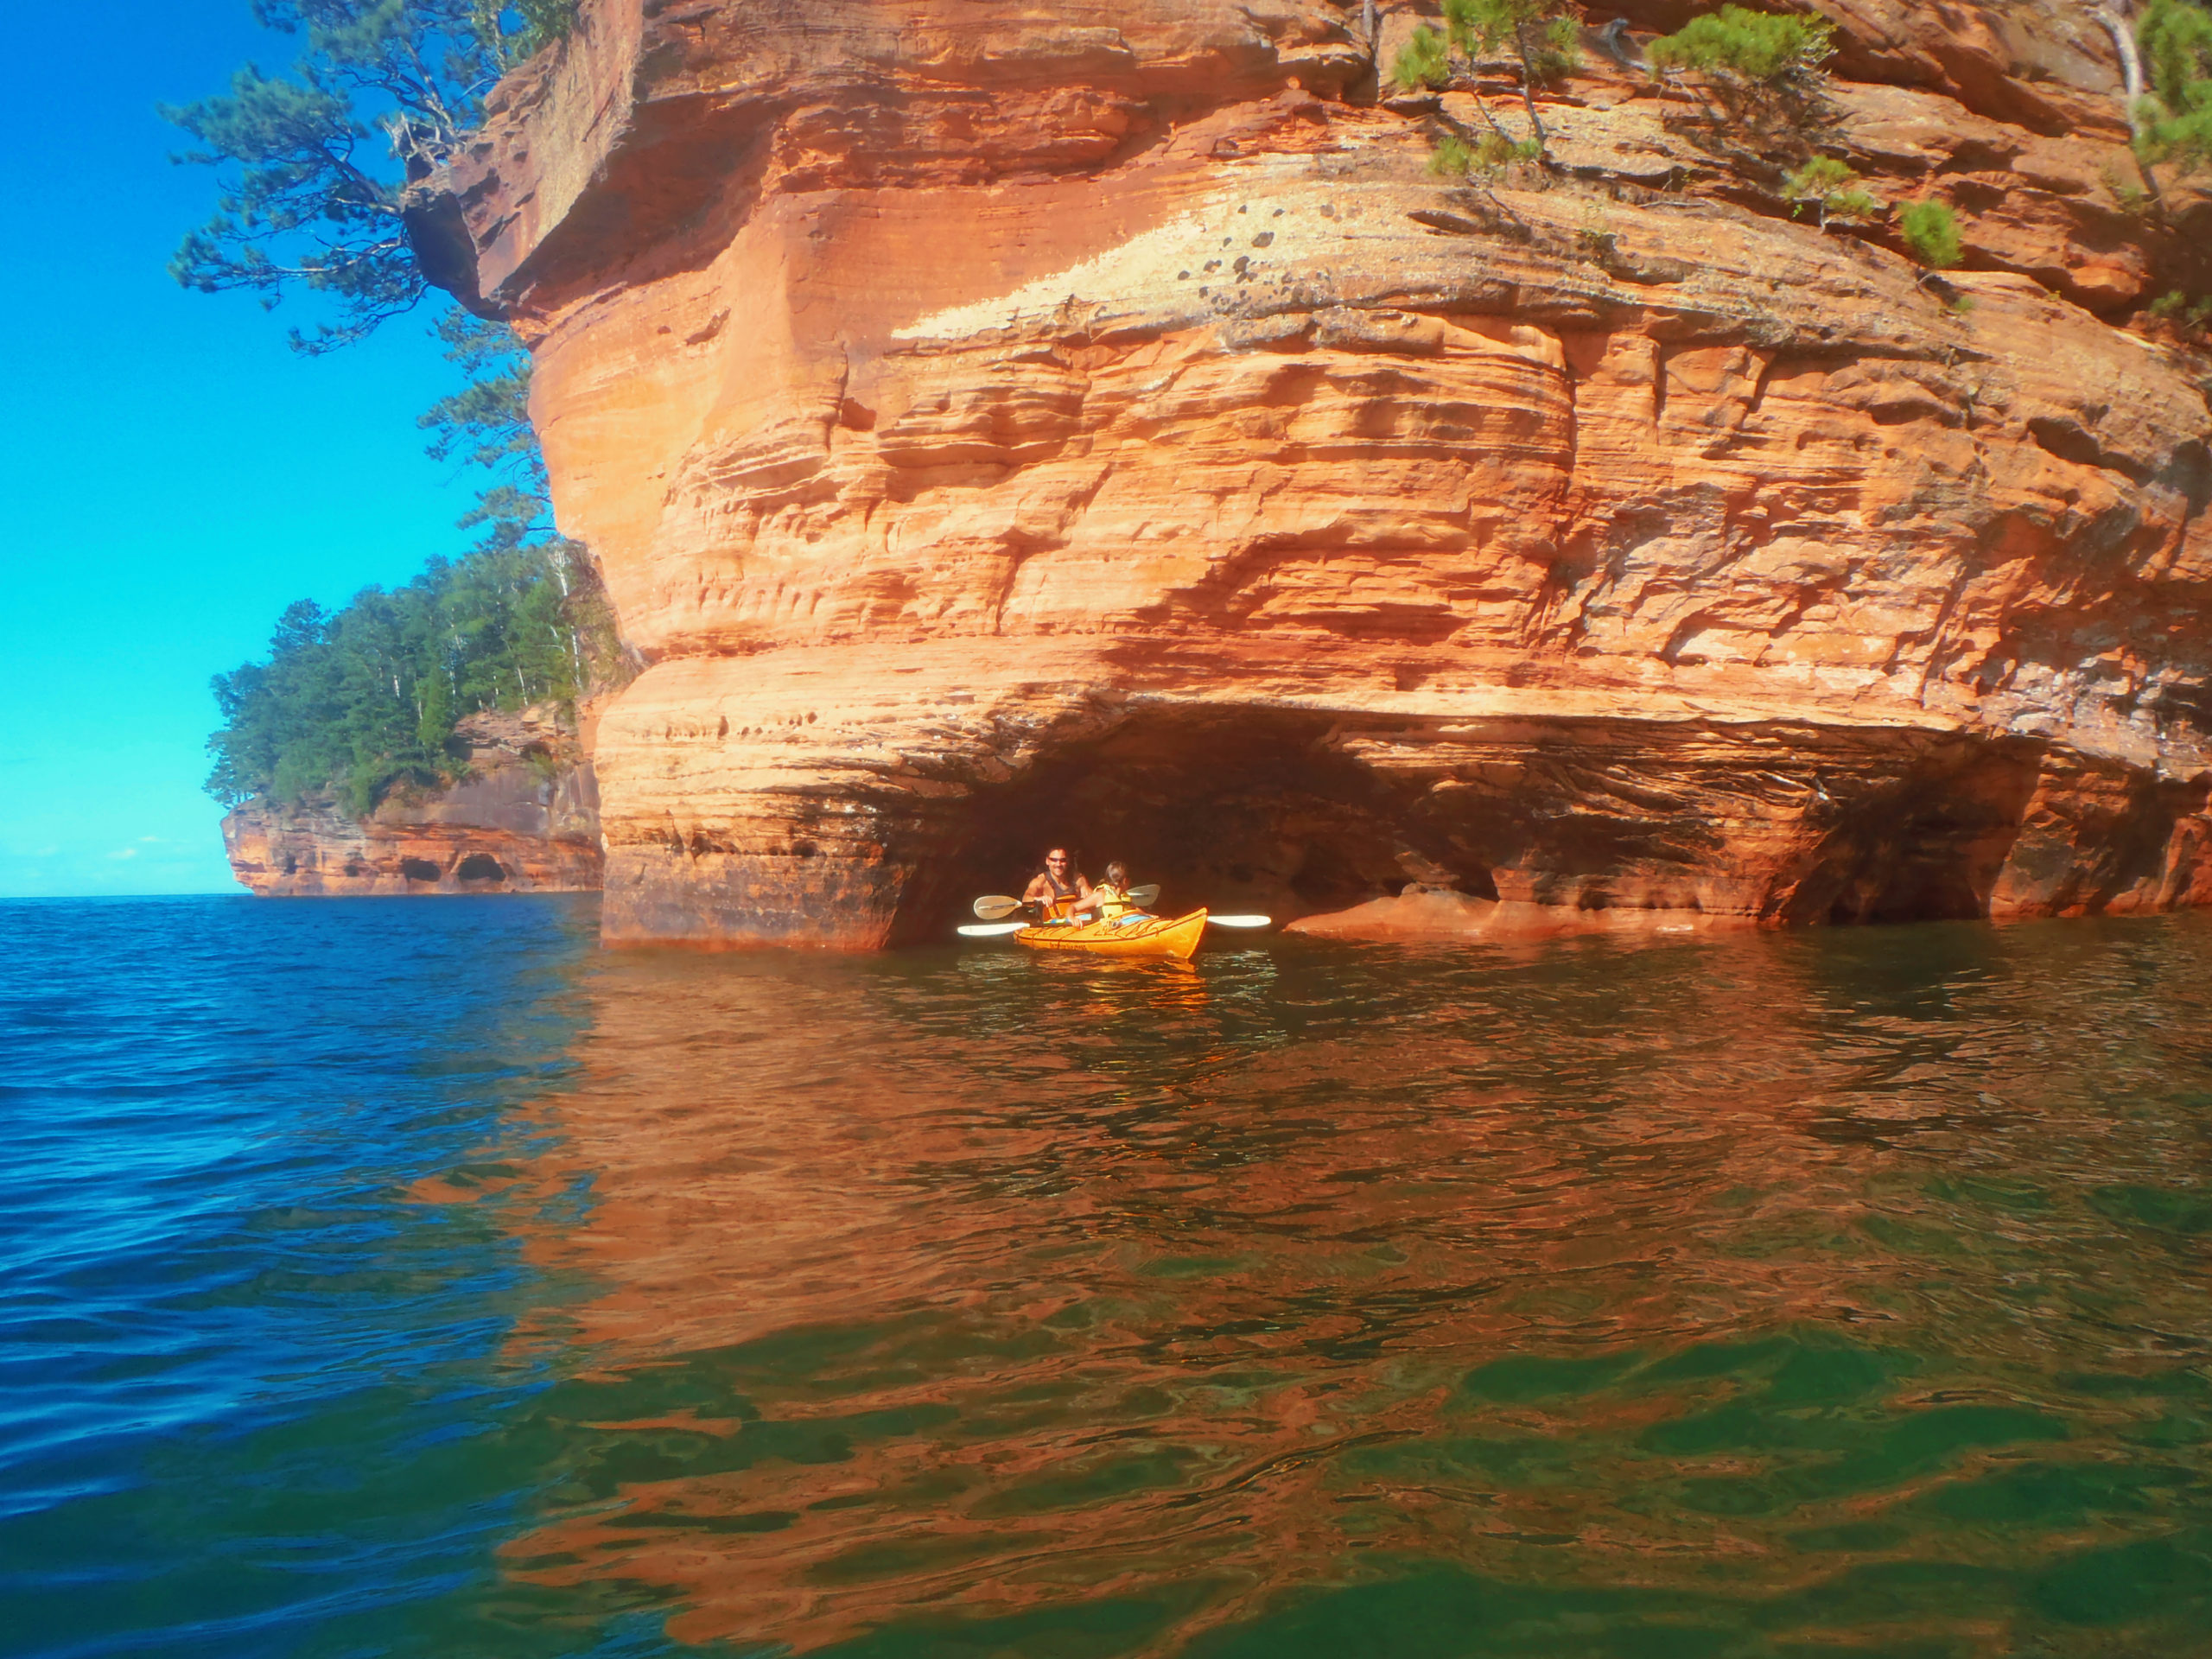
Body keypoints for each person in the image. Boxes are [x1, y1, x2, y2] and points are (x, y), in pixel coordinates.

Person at [1023, 847, 1091, 922]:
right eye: (1054, 860)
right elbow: (1026, 899)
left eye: (1063, 860)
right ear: (1047, 861)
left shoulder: (1078, 878)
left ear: (1067, 862)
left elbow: (1092, 896)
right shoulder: (1041, 881)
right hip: (1054, 926)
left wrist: (1088, 896)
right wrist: (1038, 899)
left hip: (1078, 922)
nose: (1058, 864)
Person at [1084, 861, 1149, 923]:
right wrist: (1072, 917)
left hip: (1121, 930)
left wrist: (1148, 916)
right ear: (1125, 881)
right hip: (1102, 931)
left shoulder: (1124, 896)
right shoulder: (1100, 895)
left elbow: (1136, 910)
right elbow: (1073, 907)